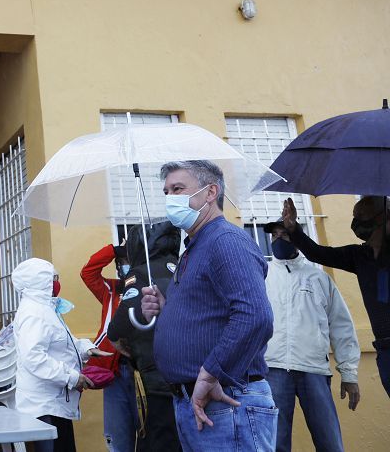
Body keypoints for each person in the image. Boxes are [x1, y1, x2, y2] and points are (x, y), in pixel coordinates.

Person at [140, 160, 276, 452]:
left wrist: (210, 373)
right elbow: (209, 312)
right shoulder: (196, 245)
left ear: (210, 192)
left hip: (226, 400)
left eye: (178, 189)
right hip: (201, 402)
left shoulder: (225, 240)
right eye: (166, 192)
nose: (170, 199)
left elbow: (255, 316)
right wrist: (166, 309)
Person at [262, 218, 360, 452]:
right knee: (274, 445)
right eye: (274, 235)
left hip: (313, 370)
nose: (278, 239)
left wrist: (349, 373)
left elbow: (341, 325)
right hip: (272, 370)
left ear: (297, 239)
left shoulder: (318, 278)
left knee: (330, 443)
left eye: (284, 234)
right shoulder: (261, 277)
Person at [280, 195, 390, 397]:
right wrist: (294, 228)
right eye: (354, 216)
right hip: (385, 350)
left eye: (361, 216)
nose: (356, 222)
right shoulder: (360, 256)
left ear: (383, 217)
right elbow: (317, 254)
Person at [11, 257, 111, 452]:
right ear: (40, 282)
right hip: (44, 405)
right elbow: (34, 358)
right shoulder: (34, 314)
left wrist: (86, 349)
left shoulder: (46, 308)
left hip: (55, 401)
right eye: (53, 278)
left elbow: (62, 341)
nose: (57, 283)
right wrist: (73, 377)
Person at [108, 221, 183, 451]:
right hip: (192, 381)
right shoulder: (182, 268)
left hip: (158, 382)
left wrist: (128, 350)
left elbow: (118, 329)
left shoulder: (140, 274)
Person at [81, 241, 138, 452]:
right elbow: (88, 272)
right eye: (120, 263)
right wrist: (114, 250)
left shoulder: (152, 287)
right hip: (115, 370)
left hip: (144, 371)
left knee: (148, 435)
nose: (123, 266)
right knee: (118, 437)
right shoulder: (111, 290)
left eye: (127, 261)